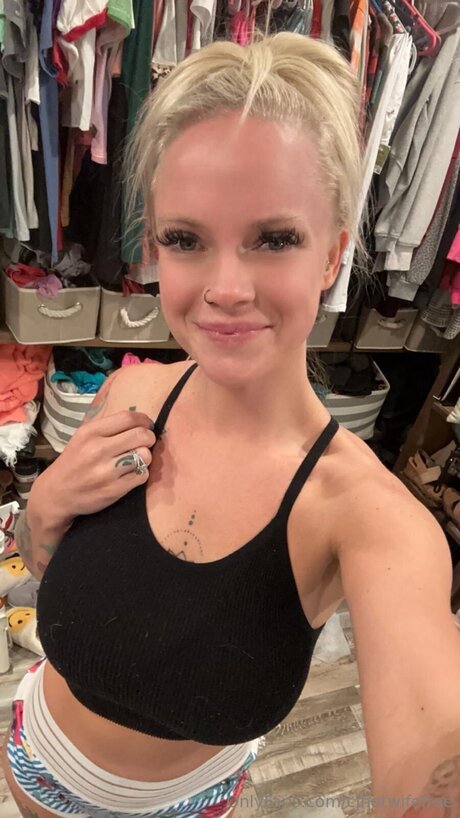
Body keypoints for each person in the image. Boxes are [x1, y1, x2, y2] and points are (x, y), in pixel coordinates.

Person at [3, 31, 460, 818]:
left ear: (332, 256)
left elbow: (429, 758)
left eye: (273, 239)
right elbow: (48, 571)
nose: (225, 288)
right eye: (186, 240)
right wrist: (42, 510)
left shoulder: (370, 519)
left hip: (193, 799)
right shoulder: (129, 397)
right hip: (36, 761)